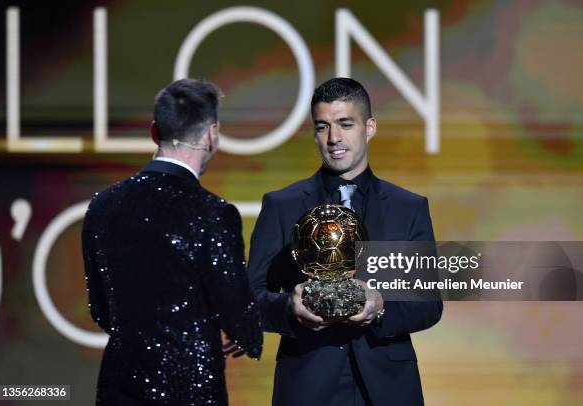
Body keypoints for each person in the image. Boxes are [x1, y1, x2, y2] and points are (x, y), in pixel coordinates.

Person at [247, 77, 442, 406]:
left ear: (369, 127)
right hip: (306, 384)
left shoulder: (407, 208)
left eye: (345, 124)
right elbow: (250, 301)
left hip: (388, 387)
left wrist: (380, 308)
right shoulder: (282, 205)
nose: (333, 138)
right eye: (322, 127)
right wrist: (289, 308)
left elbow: (428, 304)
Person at [82, 78, 262, 405]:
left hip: (120, 386)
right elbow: (238, 314)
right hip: (189, 389)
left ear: (155, 132)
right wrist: (247, 330)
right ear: (211, 135)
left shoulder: (103, 205)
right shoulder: (213, 214)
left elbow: (100, 308)